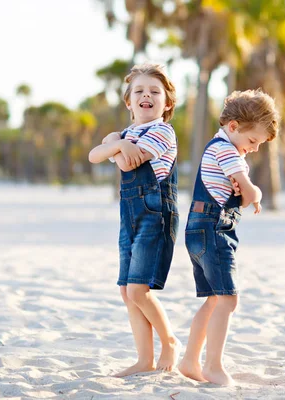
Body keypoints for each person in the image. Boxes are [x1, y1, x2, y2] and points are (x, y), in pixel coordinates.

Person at [178, 89, 280, 385]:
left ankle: (189, 361)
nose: (255, 148)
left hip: (201, 227)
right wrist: (254, 192)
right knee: (228, 300)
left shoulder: (223, 148)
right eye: (253, 141)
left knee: (213, 300)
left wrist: (243, 191)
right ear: (233, 126)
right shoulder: (225, 150)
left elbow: (238, 189)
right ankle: (212, 365)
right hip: (213, 228)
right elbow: (248, 192)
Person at [88, 63, 180, 376]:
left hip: (155, 216)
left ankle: (169, 342)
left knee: (139, 290)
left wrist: (115, 145)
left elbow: (128, 164)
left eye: (155, 92)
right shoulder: (126, 134)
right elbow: (93, 156)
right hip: (129, 218)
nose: (147, 95)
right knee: (127, 291)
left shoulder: (162, 131)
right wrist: (119, 142)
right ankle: (144, 359)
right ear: (128, 102)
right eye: (139, 91)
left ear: (166, 103)